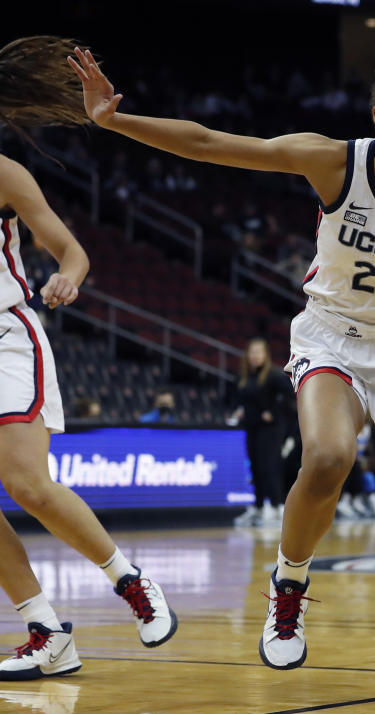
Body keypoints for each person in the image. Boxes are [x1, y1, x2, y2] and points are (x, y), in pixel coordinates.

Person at [72, 30, 375, 705]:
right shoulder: (335, 163)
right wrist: (115, 119)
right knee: (329, 457)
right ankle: (289, 583)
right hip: (332, 337)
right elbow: (216, 144)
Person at [0, 36, 176, 681]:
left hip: (6, 336)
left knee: (26, 484)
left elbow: (69, 250)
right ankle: (47, 632)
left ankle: (131, 583)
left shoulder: (4, 173)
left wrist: (67, 277)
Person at [231, 338, 294, 527]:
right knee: (256, 468)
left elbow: (291, 396)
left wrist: (273, 412)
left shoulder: (274, 375)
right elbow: (235, 398)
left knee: (270, 467)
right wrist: (239, 409)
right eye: (252, 352)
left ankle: (277, 507)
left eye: (258, 352)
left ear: (265, 355)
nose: (255, 356)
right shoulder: (243, 377)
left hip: (271, 429)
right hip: (252, 427)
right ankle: (258, 507)